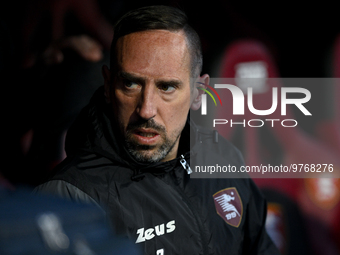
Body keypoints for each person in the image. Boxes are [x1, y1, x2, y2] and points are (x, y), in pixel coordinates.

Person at [35, 5, 279, 254]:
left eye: (167, 87)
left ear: (198, 93)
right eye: (130, 84)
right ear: (108, 86)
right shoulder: (69, 196)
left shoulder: (221, 157)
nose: (146, 110)